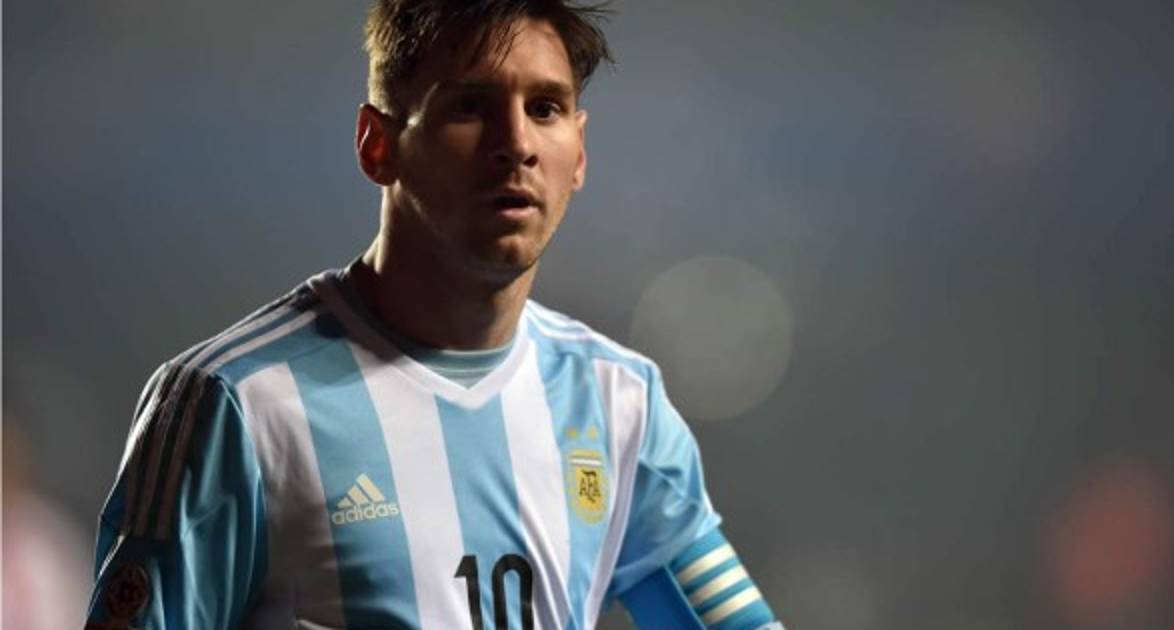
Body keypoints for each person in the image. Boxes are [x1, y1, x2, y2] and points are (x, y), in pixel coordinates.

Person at [84, 1, 782, 628]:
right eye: (470, 106)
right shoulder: (235, 402)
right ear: (377, 144)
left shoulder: (617, 401)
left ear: (579, 153)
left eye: (545, 107)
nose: (517, 143)